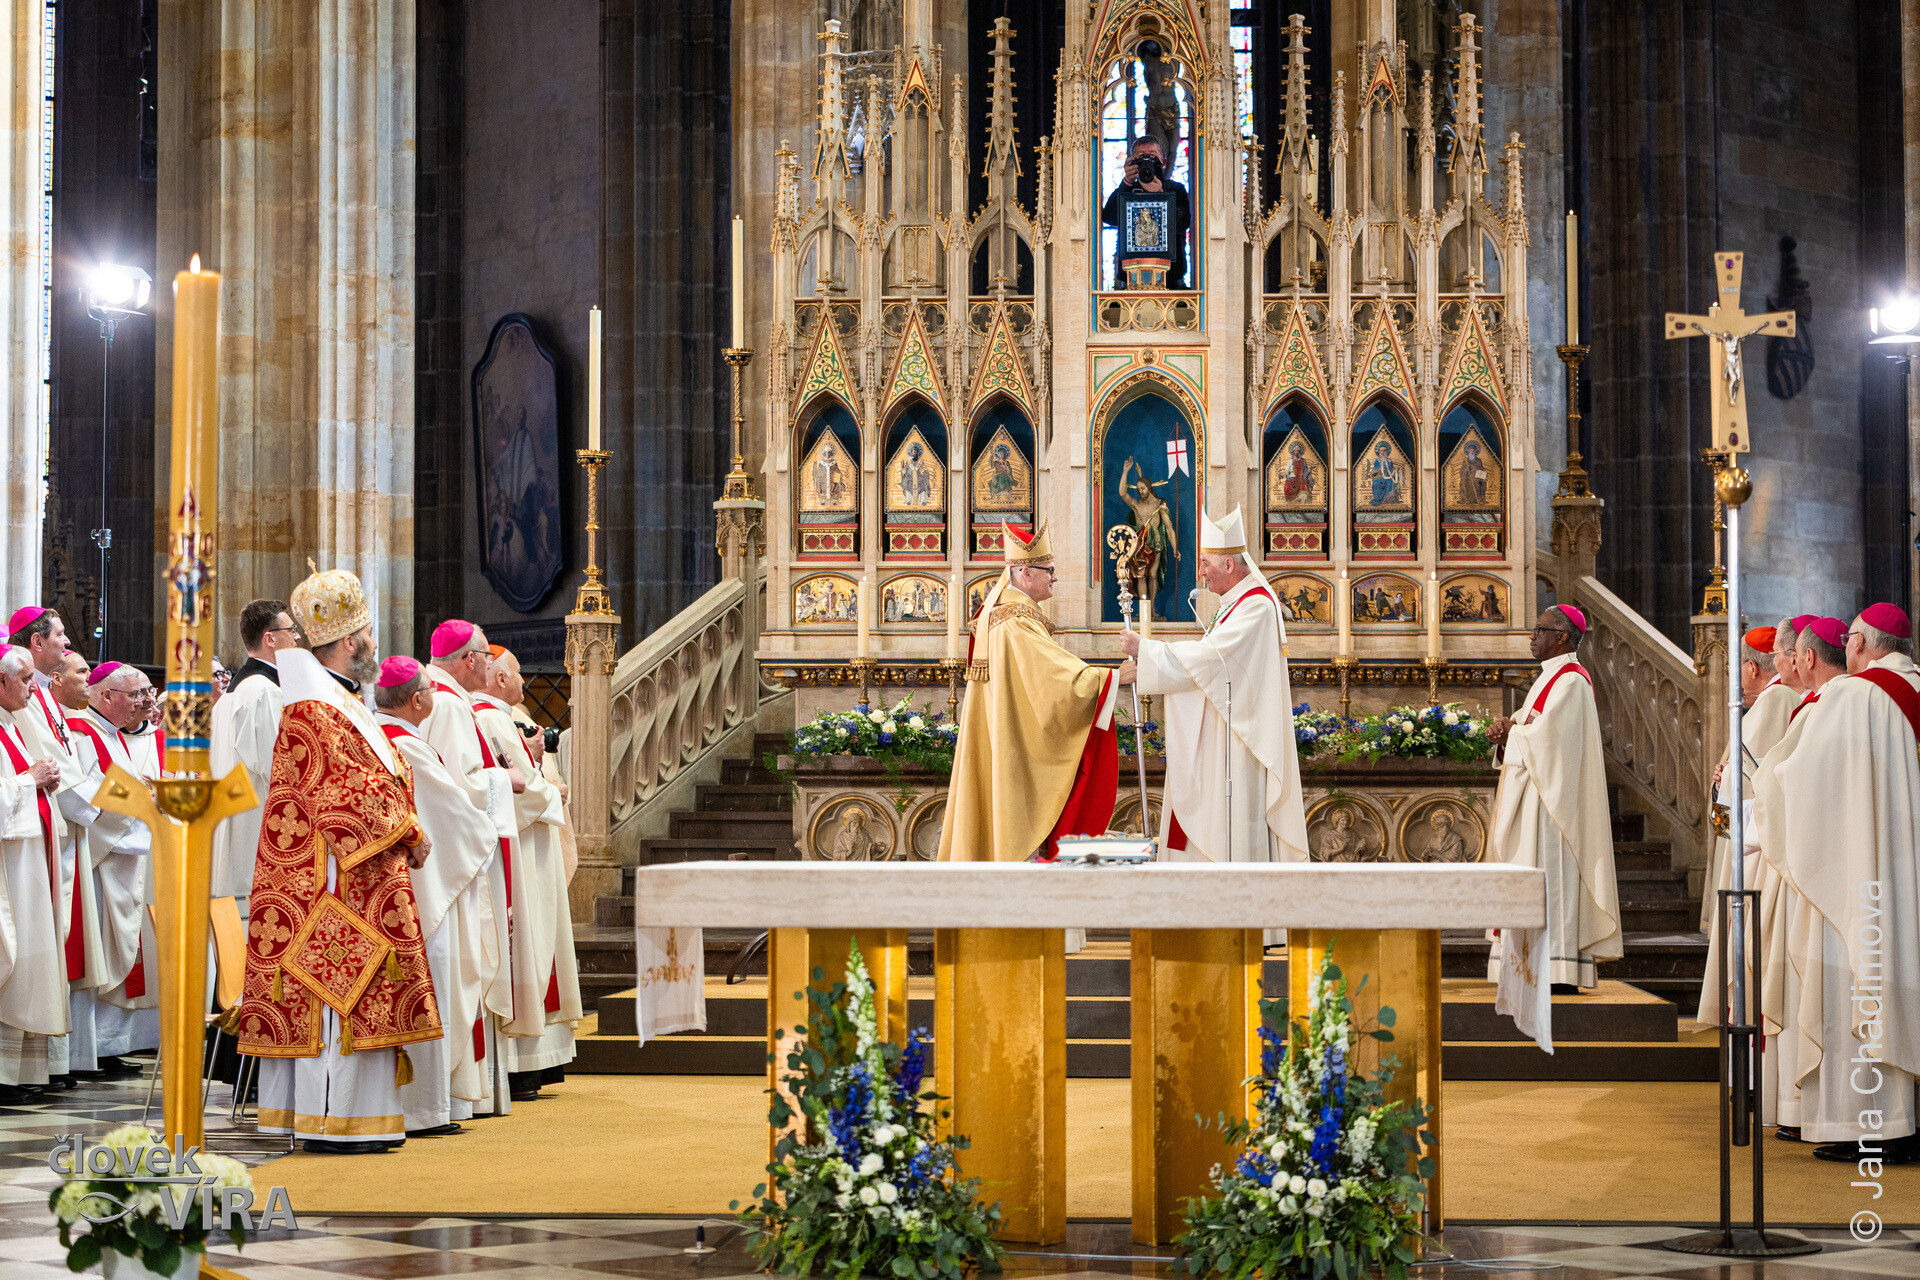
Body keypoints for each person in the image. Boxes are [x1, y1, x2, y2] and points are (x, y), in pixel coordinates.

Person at [236, 565, 440, 1155]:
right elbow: (340, 788)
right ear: (351, 641)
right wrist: (407, 828)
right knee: (339, 990)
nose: (373, 644)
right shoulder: (314, 704)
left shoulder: (335, 701)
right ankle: (334, 1117)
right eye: (369, 634)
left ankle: (349, 1115)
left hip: (353, 869)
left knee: (352, 987)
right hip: (334, 880)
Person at [1755, 607, 1920, 1164]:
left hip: (1860, 873)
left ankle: (1869, 1123)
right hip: (1908, 871)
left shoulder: (1856, 695)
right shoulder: (1913, 690)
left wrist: (1763, 785)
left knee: (1860, 980)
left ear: (1859, 644)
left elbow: (1801, 778)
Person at [1119, 507, 1308, 945]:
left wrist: (1146, 650)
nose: (1199, 570)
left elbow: (1214, 661)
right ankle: (1210, 915)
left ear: (1228, 564)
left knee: (1232, 820)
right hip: (1226, 735)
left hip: (1238, 746)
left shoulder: (1257, 606)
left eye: (1206, 562)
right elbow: (1210, 666)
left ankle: (1237, 918)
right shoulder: (1233, 607)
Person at [373, 656, 506, 1138]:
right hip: (428, 893)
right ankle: (428, 1107)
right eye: (429, 688)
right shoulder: (410, 747)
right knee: (437, 983)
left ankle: (416, 1106)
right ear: (419, 699)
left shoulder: (373, 740)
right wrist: (489, 832)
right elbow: (459, 821)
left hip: (389, 892)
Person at [939, 522, 1119, 863]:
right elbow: (1054, 681)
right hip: (1013, 747)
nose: (1054, 577)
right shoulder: (1016, 622)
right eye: (1048, 570)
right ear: (1024, 572)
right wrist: (1111, 678)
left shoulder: (1007, 614)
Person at [1485, 605, 1621, 1051]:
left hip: (1553, 808)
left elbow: (1553, 745)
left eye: (1540, 630)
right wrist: (1511, 729)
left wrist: (1515, 733)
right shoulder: (1549, 677)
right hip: (1538, 800)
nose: (1532, 636)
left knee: (1552, 883)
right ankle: (1531, 968)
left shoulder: (1572, 682)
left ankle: (1557, 970)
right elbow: (1533, 731)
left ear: (1562, 636)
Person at [472, 645, 582, 1100]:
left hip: (528, 846)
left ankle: (533, 1065)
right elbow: (516, 790)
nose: (524, 683)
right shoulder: (493, 717)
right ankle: (525, 1068)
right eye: (517, 674)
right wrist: (549, 787)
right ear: (499, 679)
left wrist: (536, 765)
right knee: (529, 947)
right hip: (521, 851)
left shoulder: (497, 713)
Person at [423, 619, 523, 1115]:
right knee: (460, 968)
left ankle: (466, 1093)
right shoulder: (444, 703)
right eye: (485, 655)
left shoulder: (443, 698)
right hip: (452, 861)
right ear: (469, 659)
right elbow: (456, 786)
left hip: (455, 854)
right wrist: (508, 782)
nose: (490, 663)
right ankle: (457, 1094)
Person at [1696, 624, 1799, 1029]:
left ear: (1752, 670)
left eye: (1736, 668)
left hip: (1755, 843)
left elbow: (1745, 777)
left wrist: (1722, 778)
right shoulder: (1781, 698)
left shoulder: (1775, 698)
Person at [65, 661, 163, 1078]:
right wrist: (139, 795)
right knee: (103, 949)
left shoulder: (123, 734)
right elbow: (85, 792)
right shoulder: (82, 733)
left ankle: (114, 1044)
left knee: (126, 948)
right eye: (136, 694)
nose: (144, 701)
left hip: (131, 857)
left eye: (146, 693)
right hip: (103, 862)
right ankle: (99, 1046)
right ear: (107, 697)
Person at [0, 647, 68, 1103]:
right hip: (9, 866)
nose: (32, 687)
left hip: (26, 860)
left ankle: (19, 1072)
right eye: (24, 679)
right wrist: (30, 780)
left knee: (28, 959)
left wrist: (42, 779)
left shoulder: (12, 725)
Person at [209, 599, 296, 913]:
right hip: (258, 835)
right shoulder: (264, 692)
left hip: (231, 830)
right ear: (270, 638)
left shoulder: (234, 692)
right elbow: (282, 769)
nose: (297, 637)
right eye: (291, 630)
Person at [1100, 136, 1192, 288]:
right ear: (1132, 162)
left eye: (1152, 156)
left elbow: (1182, 224)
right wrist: (1126, 183)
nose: (1147, 161)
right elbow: (1109, 217)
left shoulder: (1176, 189)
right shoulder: (1127, 189)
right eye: (1141, 157)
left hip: (1171, 283)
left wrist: (1161, 195)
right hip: (1130, 281)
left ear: (1163, 162)